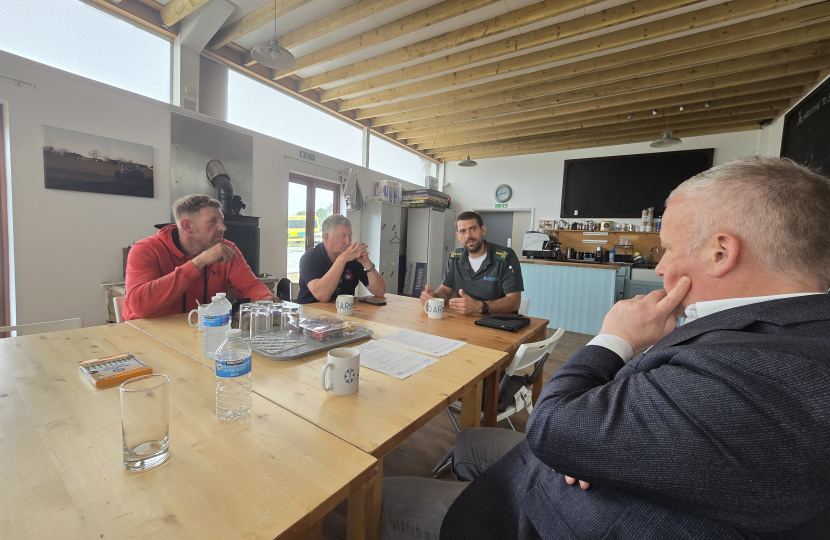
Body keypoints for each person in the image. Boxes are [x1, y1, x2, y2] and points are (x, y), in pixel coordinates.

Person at [381, 156, 830, 540]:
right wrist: (596, 441)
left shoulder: (762, 374)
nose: (659, 269)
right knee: (468, 444)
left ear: (721, 253)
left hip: (535, 514)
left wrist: (613, 338)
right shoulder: (778, 332)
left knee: (384, 496)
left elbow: (556, 427)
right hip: (582, 468)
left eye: (668, 248)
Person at [123, 195, 275, 320]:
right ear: (188, 226)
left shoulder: (226, 249)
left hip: (199, 332)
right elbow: (140, 306)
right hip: (145, 336)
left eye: (221, 220)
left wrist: (268, 300)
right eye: (213, 221)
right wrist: (200, 262)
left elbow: (249, 287)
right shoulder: (146, 249)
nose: (223, 227)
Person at [420, 211, 524, 315]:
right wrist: (435, 297)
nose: (468, 236)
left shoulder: (505, 257)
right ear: (458, 236)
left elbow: (514, 302)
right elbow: (445, 290)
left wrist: (481, 307)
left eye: (473, 229)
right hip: (464, 321)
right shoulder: (455, 258)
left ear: (483, 230)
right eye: (462, 231)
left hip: (498, 323)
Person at [296, 214, 386, 304]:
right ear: (327, 237)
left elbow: (380, 291)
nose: (348, 241)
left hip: (344, 313)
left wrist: (366, 262)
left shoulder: (353, 258)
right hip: (311, 314)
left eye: (350, 236)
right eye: (343, 236)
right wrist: (342, 259)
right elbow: (322, 295)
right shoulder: (310, 258)